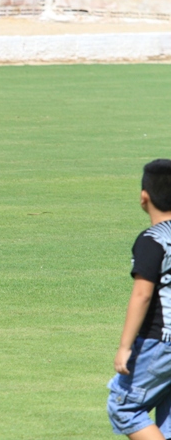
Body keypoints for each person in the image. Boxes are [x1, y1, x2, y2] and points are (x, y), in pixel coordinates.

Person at [107, 159, 171, 440]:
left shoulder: (152, 239)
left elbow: (143, 294)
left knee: (124, 407)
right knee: (168, 413)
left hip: (160, 341)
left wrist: (124, 347)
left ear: (144, 197)